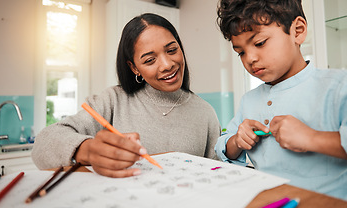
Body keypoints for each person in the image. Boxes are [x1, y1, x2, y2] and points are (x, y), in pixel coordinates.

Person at [32, 13, 221, 178]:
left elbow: (216, 171)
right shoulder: (112, 101)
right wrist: (86, 150)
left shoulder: (206, 113)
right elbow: (43, 144)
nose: (167, 64)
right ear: (134, 68)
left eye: (172, 50)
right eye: (149, 60)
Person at [214, 0, 347, 200]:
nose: (250, 58)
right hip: (266, 200)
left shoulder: (338, 86)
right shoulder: (249, 100)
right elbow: (222, 146)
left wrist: (310, 138)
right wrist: (237, 140)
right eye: (241, 52)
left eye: (259, 43)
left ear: (298, 31)